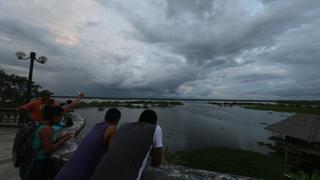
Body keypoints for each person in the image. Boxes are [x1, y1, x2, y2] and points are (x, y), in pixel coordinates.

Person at [91, 109, 163, 180]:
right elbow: (156, 162)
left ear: (139, 119)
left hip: (98, 175)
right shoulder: (156, 128)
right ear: (154, 123)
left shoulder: (123, 126)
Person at [54, 108, 121, 180]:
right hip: (81, 170)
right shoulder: (112, 128)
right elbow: (112, 153)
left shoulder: (97, 126)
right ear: (117, 119)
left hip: (70, 168)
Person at [25, 106, 71, 180]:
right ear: (56, 117)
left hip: (36, 160)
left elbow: (47, 141)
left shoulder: (43, 125)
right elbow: (48, 150)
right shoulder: (47, 129)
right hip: (39, 162)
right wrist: (63, 140)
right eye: (61, 116)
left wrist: (61, 137)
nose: (62, 119)